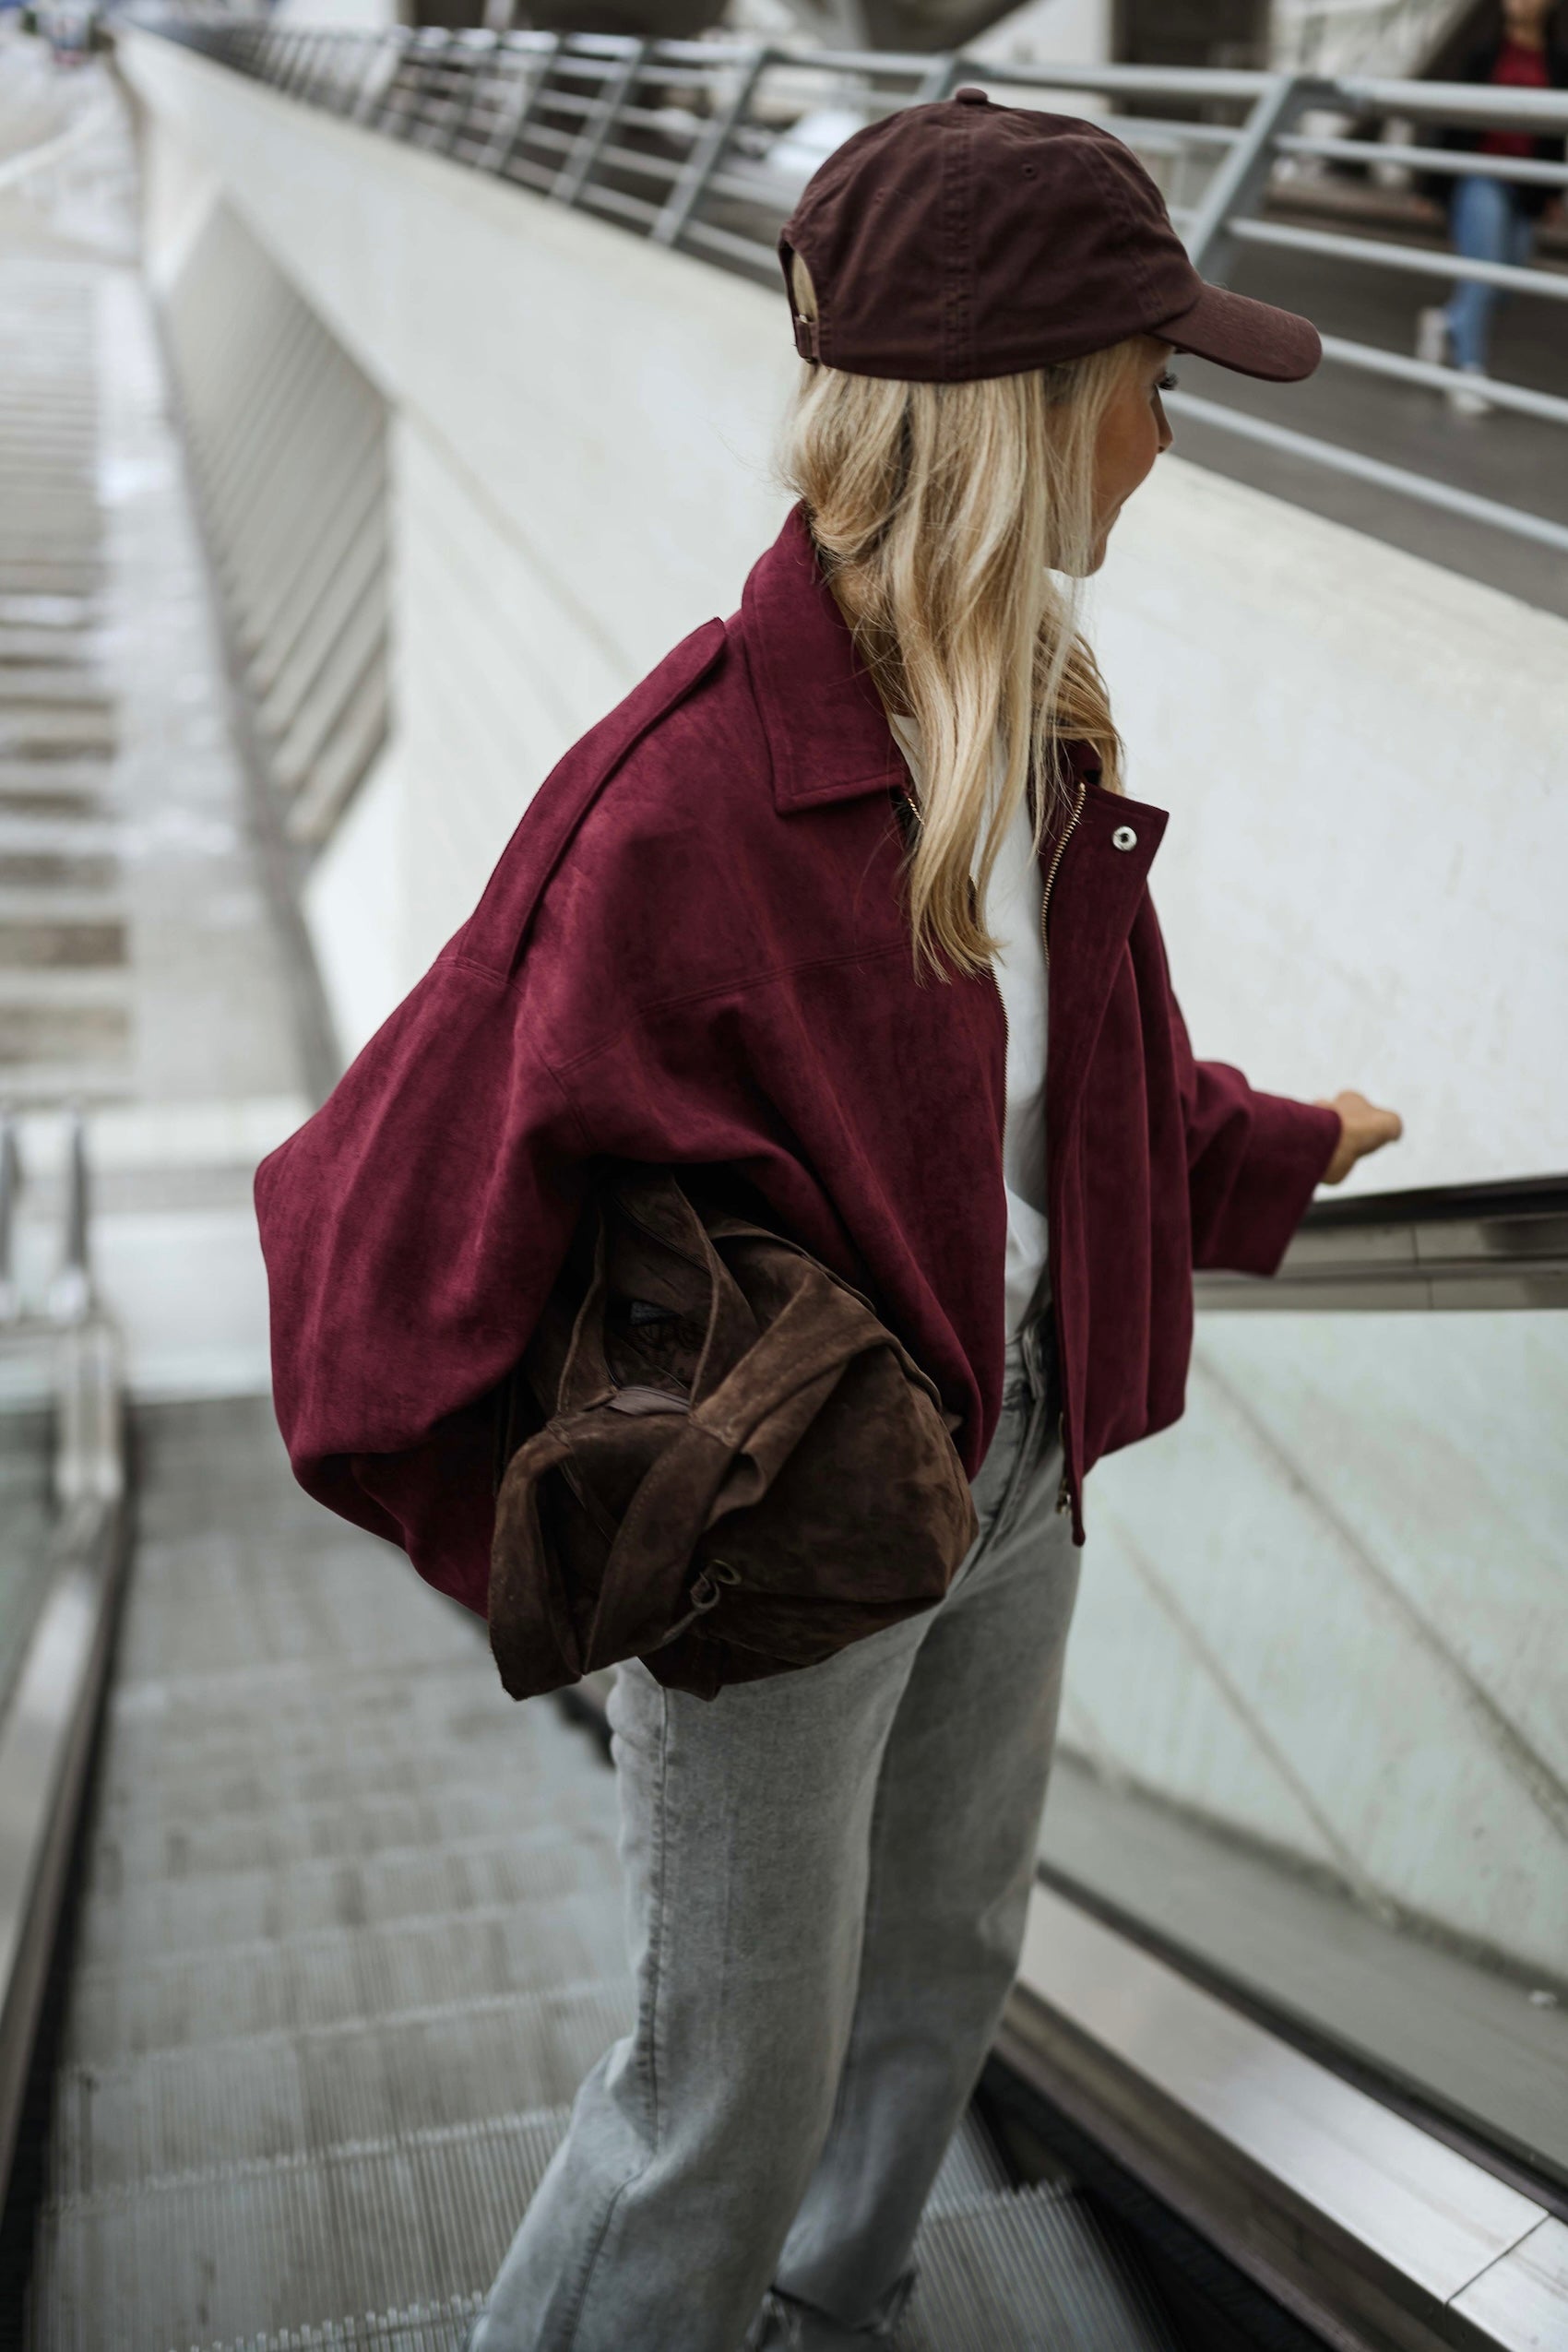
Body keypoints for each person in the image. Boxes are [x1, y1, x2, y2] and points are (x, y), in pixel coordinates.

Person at [255, 90, 1403, 2352]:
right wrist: (540, 1513)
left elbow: (1073, 1097)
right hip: (784, 1532)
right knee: (720, 2095)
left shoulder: (1038, 727)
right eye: (1148, 381)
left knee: (946, 1966)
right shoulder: (680, 794)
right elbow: (390, 1200)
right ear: (1026, 412)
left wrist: (1280, 1145)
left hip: (1022, 1465)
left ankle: (832, 2313)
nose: (1168, 433)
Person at [1417, 0, 1568, 415]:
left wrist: (1553, 194)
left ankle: (1445, 322)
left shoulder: (1558, 62)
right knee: (1482, 275)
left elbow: (1556, 135)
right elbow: (1452, 121)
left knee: (1504, 287)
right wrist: (1431, 187)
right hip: (1480, 175)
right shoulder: (1483, 54)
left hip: (1526, 186)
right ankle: (1468, 370)